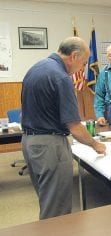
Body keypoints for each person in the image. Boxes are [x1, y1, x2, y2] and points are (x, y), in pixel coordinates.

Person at [21, 37, 106, 220]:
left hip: (29, 142)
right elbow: (74, 126)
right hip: (50, 146)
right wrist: (95, 144)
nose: (82, 68)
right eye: (83, 63)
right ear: (74, 56)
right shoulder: (61, 77)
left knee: (48, 200)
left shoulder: (35, 68)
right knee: (56, 211)